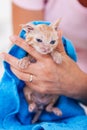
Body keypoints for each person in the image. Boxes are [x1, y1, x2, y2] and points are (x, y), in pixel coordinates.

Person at [1, 0, 87, 104]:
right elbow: (26, 48)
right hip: (41, 76)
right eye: (39, 40)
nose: (45, 48)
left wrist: (78, 85)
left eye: (51, 41)